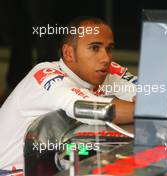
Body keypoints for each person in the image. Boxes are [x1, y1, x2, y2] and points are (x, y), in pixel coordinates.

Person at [0, 17, 137, 172]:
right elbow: (96, 110)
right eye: (95, 48)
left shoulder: (105, 70)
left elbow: (153, 98)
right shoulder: (46, 74)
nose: (105, 58)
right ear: (69, 53)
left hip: (56, 159)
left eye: (109, 48)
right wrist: (149, 109)